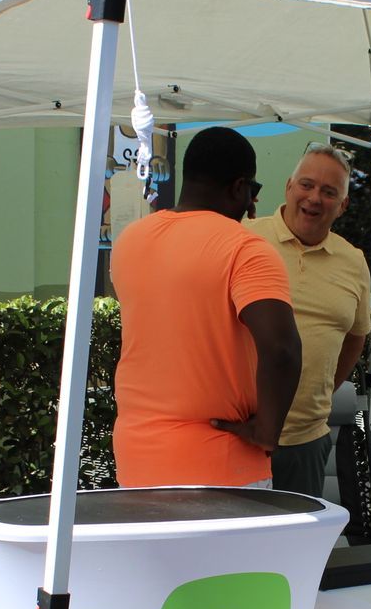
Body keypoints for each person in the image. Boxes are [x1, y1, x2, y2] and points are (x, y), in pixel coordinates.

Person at [110, 126, 301, 489]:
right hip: (223, 469)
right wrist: (267, 431)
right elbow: (282, 349)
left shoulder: (130, 242)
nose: (252, 206)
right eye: (253, 191)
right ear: (238, 187)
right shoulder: (247, 249)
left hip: (137, 465)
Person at [244, 143, 370, 498]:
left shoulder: (353, 261)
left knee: (299, 552)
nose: (314, 198)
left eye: (329, 192)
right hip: (239, 437)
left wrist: (323, 389)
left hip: (306, 442)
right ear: (288, 187)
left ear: (343, 205)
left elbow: (356, 337)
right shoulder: (246, 238)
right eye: (306, 185)